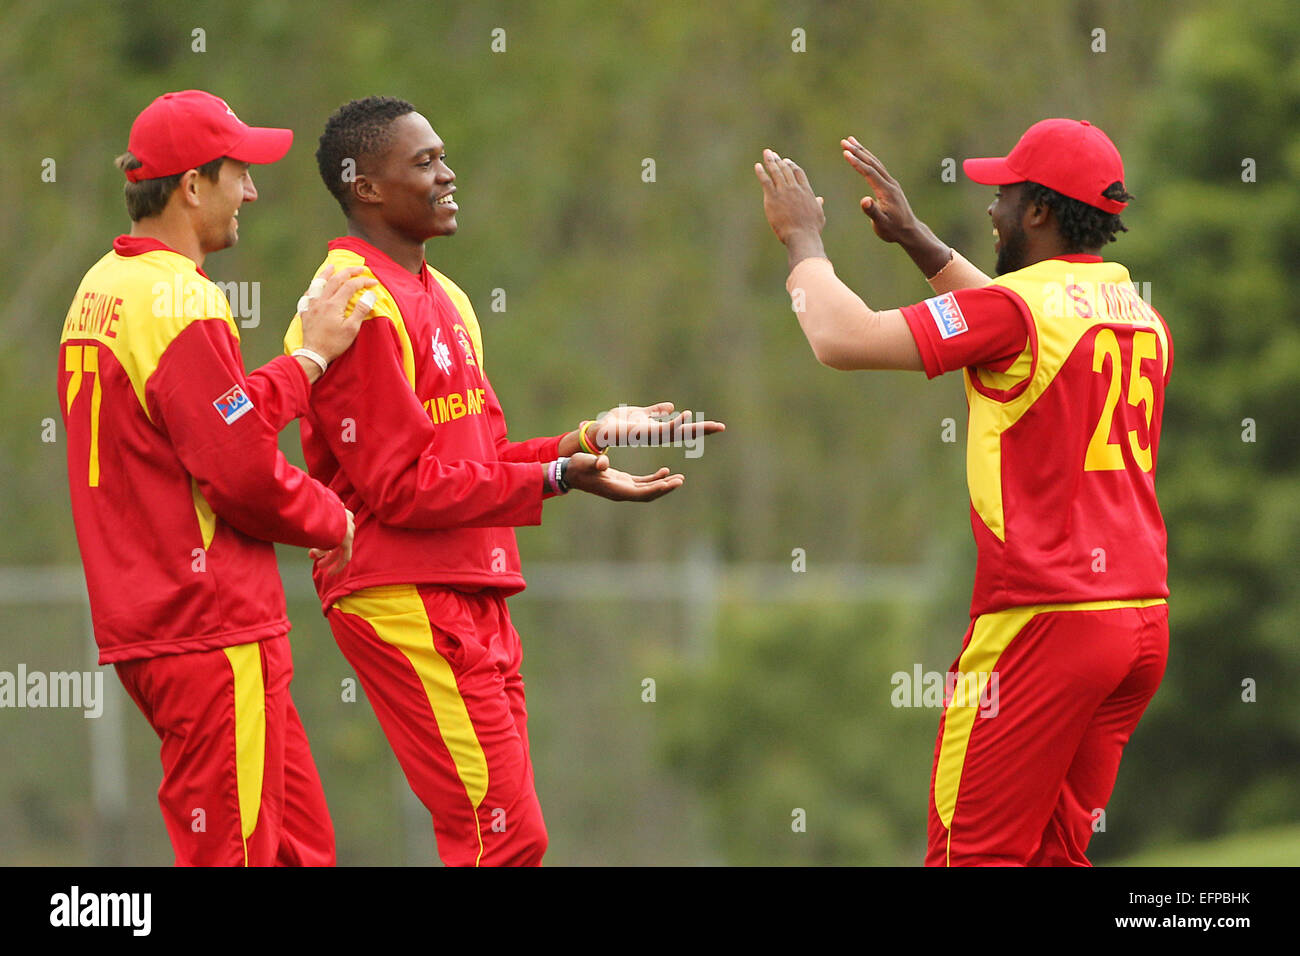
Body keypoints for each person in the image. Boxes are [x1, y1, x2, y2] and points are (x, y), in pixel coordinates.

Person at [283, 96, 725, 866]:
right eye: (424, 162)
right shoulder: (352, 301)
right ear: (367, 188)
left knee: (510, 836)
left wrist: (581, 443)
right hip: (403, 595)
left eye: (444, 156)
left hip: (470, 589)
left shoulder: (444, 294)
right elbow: (401, 488)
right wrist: (553, 477)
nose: (449, 175)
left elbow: (477, 460)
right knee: (503, 838)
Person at [754, 118, 1171, 866]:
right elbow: (1019, 327)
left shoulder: (1017, 312)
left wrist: (803, 241)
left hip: (1044, 625)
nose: (992, 209)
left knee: (969, 855)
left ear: (1040, 212)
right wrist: (919, 242)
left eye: (1006, 194)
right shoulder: (1140, 314)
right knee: (1052, 854)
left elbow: (840, 339)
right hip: (1137, 627)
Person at [58, 89, 377, 866]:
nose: (253, 191)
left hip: (168, 625)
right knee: (234, 856)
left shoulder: (104, 288)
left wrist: (308, 359)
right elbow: (237, 473)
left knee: (300, 849)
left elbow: (208, 424)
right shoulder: (182, 299)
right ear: (192, 185)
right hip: (208, 626)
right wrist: (328, 517)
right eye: (240, 171)